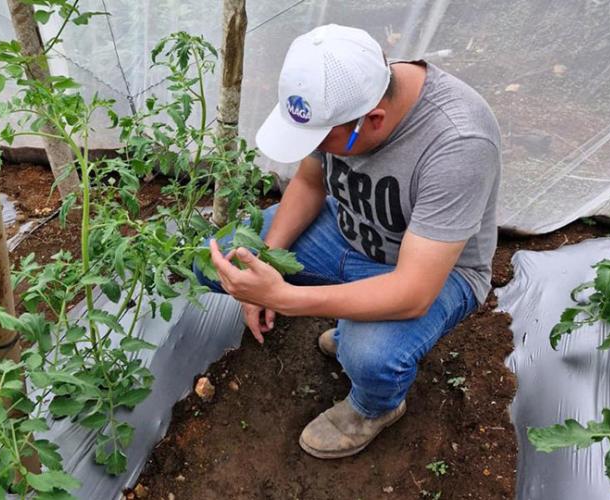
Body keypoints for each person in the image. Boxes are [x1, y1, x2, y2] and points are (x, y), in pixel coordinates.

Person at [197, 24, 501, 459]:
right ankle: (352, 322)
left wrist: (282, 297)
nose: (318, 147)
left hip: (430, 273)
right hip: (345, 228)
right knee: (217, 262)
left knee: (371, 357)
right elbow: (309, 180)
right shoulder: (340, 92)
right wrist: (264, 262)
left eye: (322, 139)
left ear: (373, 120)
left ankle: (373, 407)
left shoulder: (459, 143)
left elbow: (413, 293)